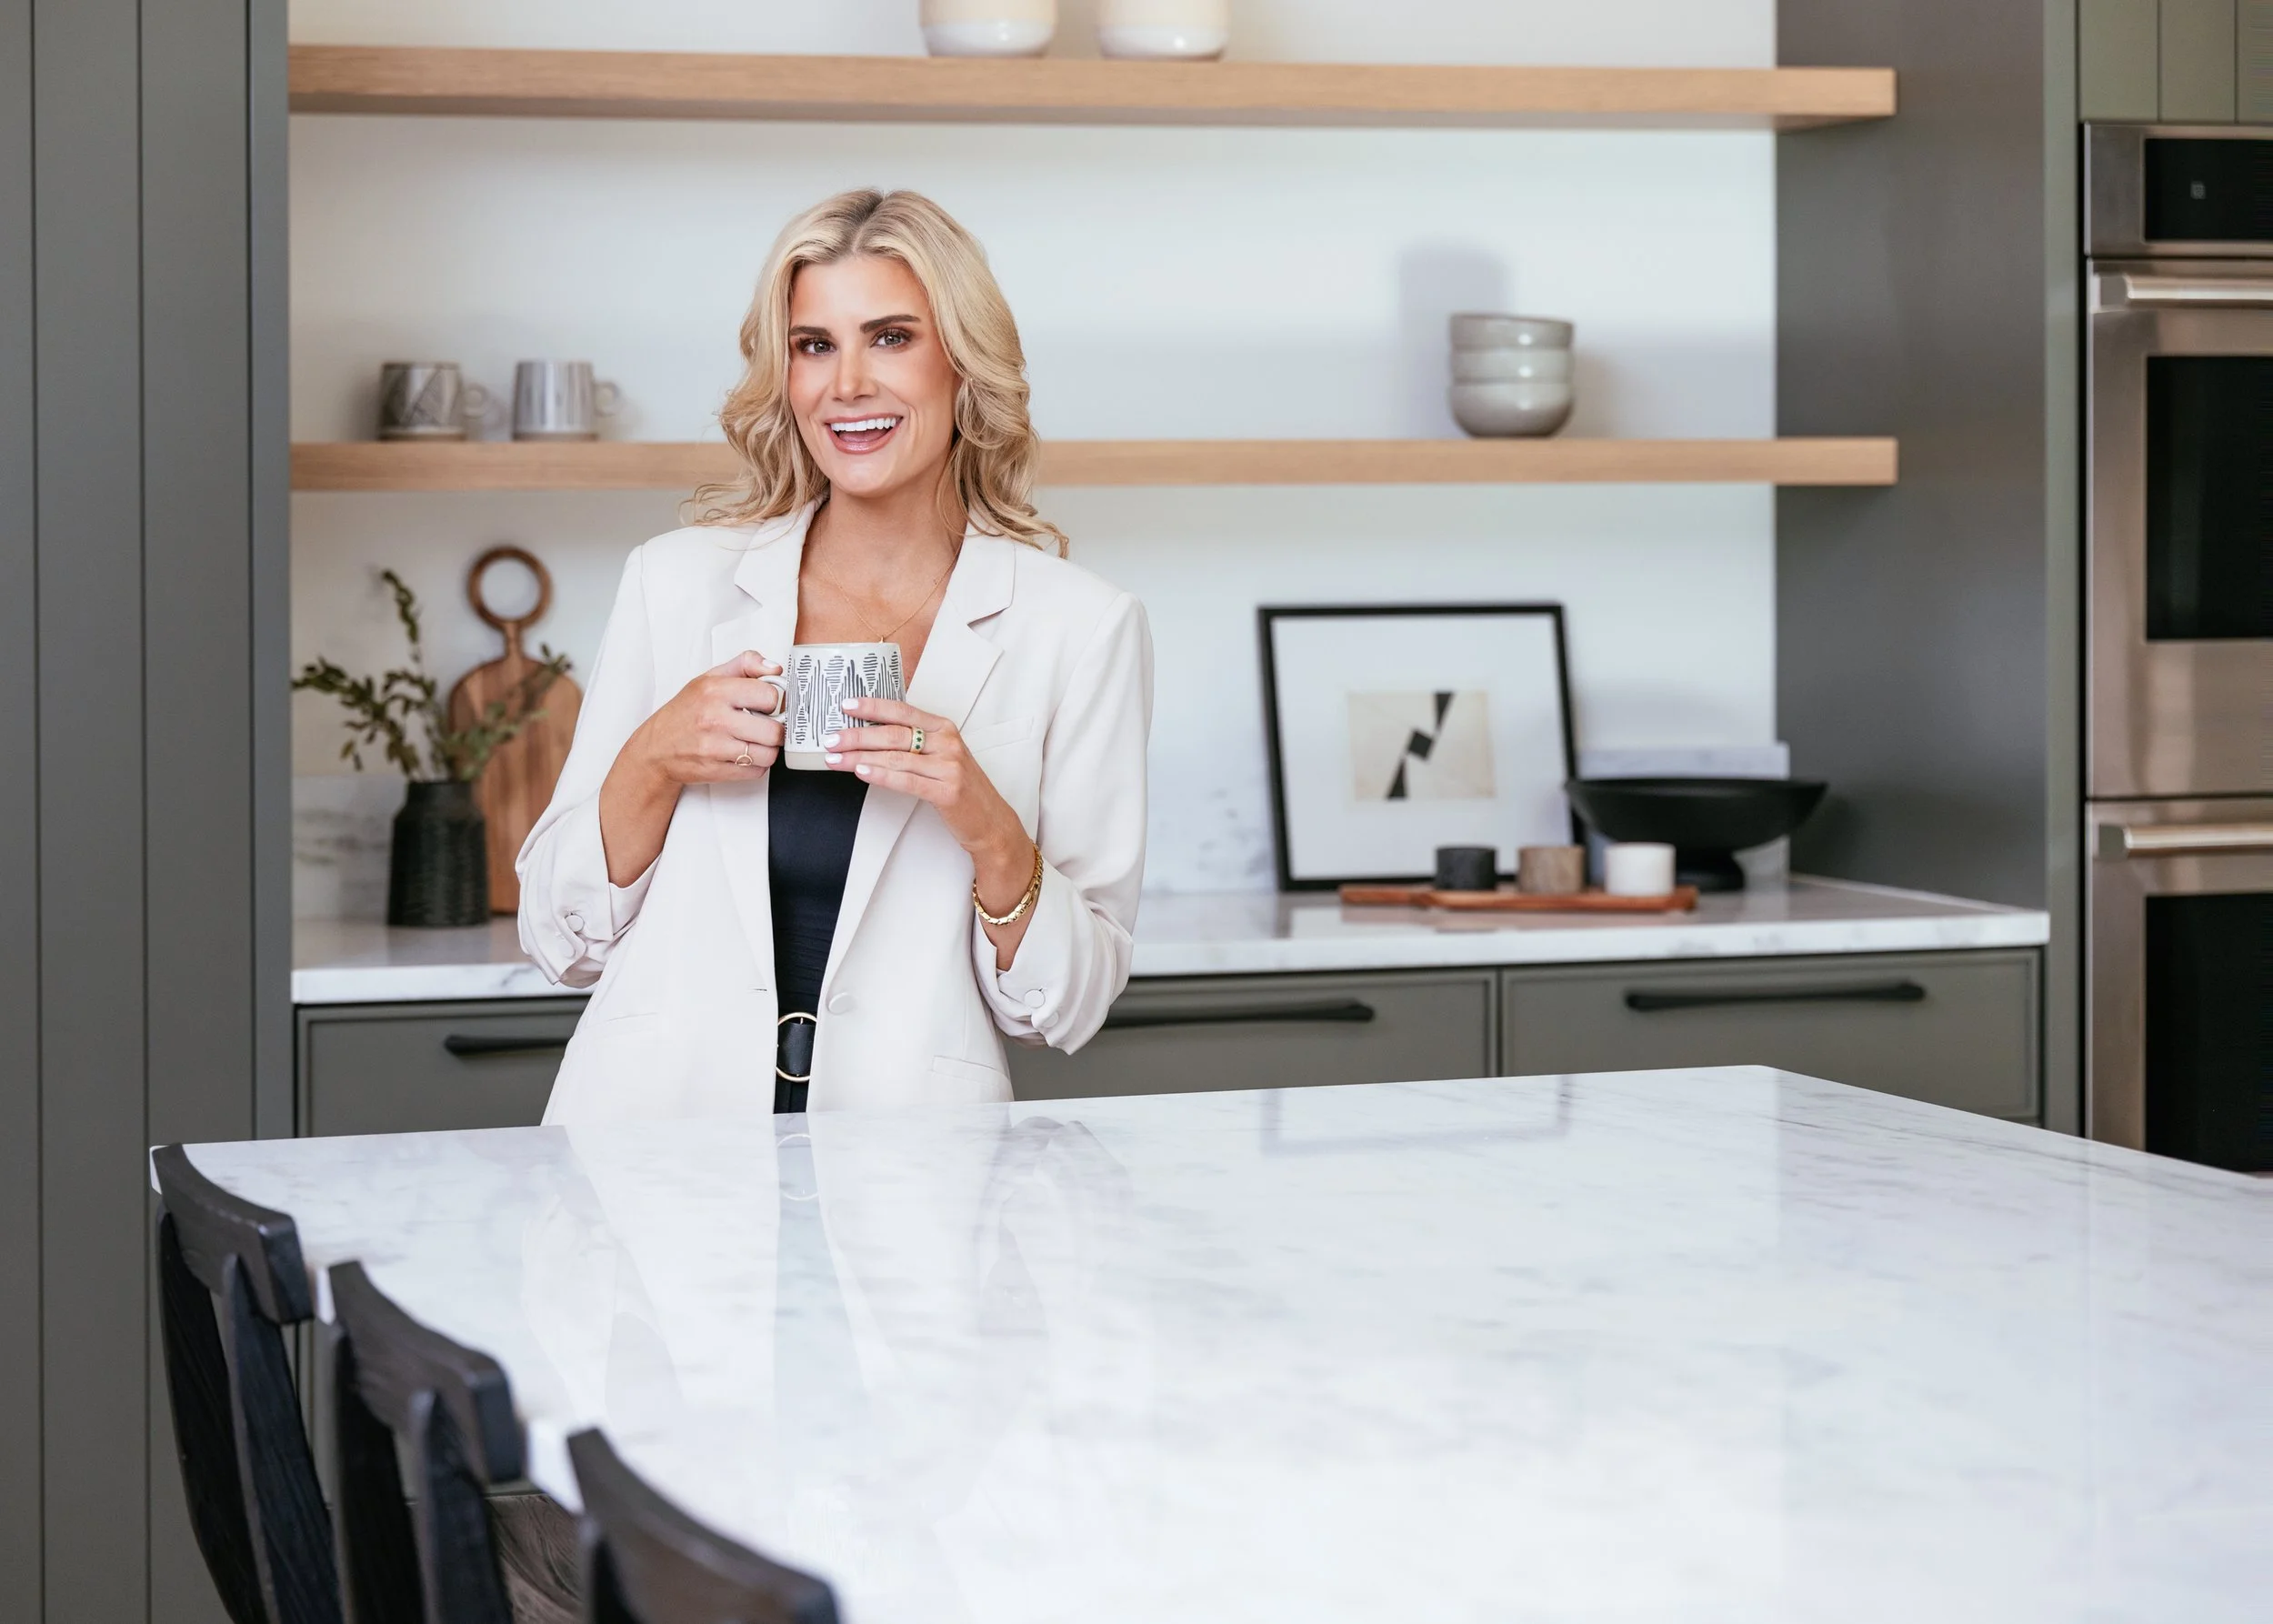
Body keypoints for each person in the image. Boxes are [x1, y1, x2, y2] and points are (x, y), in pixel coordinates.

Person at [517, 188, 1152, 1121]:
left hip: (913, 1174)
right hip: (652, 1153)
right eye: (814, 345)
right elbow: (558, 939)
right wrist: (652, 757)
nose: (845, 383)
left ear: (962, 365)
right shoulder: (675, 585)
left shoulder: (1080, 626)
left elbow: (1066, 1005)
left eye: (890, 337)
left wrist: (983, 820)